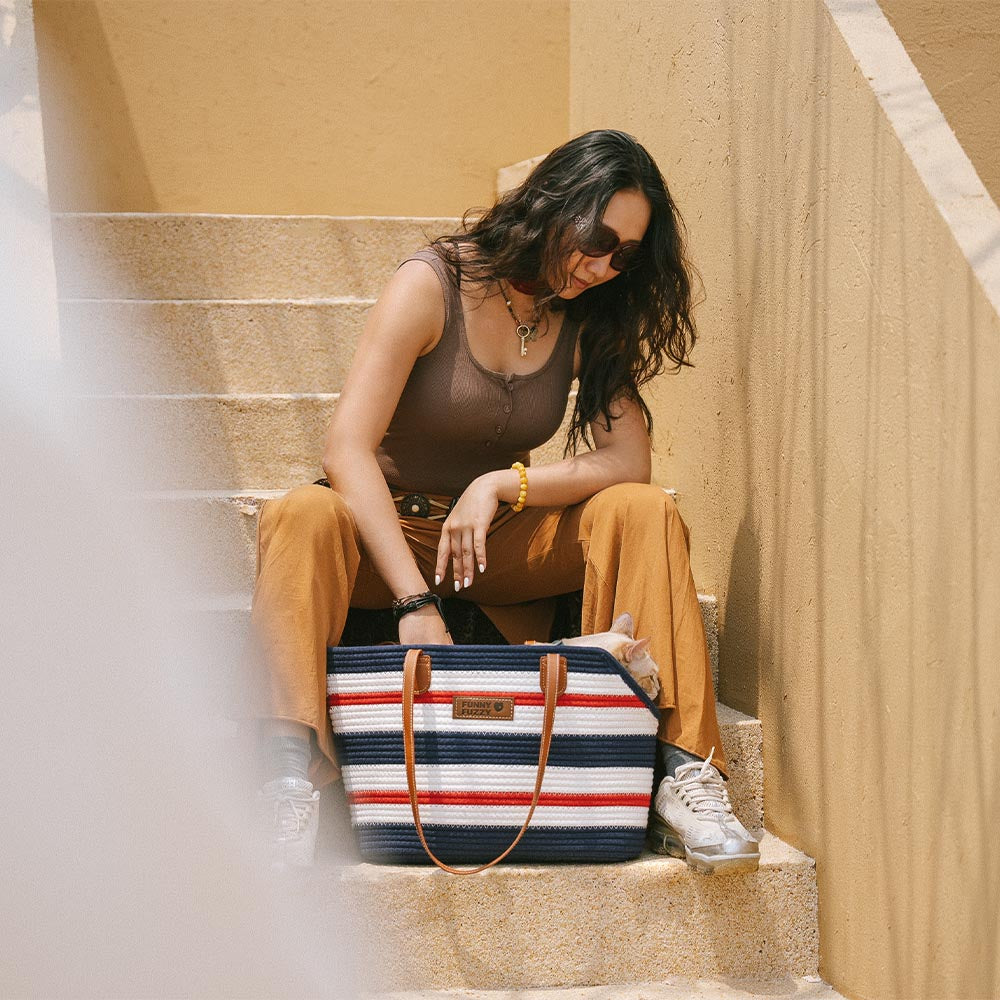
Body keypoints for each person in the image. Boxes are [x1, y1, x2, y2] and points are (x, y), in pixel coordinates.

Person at [249, 129, 760, 874]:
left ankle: (685, 772)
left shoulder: (587, 315)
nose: (603, 266)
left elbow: (627, 459)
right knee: (302, 512)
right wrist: (413, 600)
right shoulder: (434, 284)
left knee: (641, 508)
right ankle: (284, 778)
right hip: (387, 538)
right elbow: (347, 449)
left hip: (490, 542)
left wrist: (503, 484)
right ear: (554, 204)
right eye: (597, 240)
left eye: (625, 256)